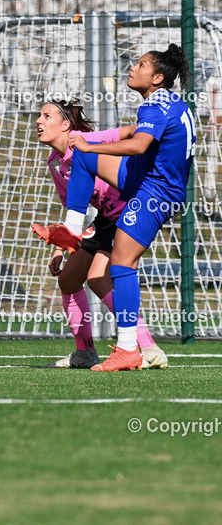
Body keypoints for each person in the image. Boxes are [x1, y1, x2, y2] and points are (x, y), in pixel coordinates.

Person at [33, 44, 194, 371]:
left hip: (147, 192)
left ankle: (136, 347)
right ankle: (103, 350)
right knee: (74, 279)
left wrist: (92, 143)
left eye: (141, 64)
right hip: (135, 185)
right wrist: (63, 244)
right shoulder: (57, 162)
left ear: (158, 77)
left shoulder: (154, 107)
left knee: (117, 265)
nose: (132, 68)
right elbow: (73, 200)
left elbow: (136, 141)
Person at [34, 99, 167, 369]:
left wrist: (158, 137)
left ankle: (148, 346)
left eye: (46, 116)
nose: (38, 121)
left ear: (66, 125)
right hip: (106, 217)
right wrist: (59, 248)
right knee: (69, 280)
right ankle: (85, 352)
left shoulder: (86, 139)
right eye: (39, 115)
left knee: (97, 278)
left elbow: (130, 133)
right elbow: (74, 210)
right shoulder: (54, 163)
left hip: (131, 209)